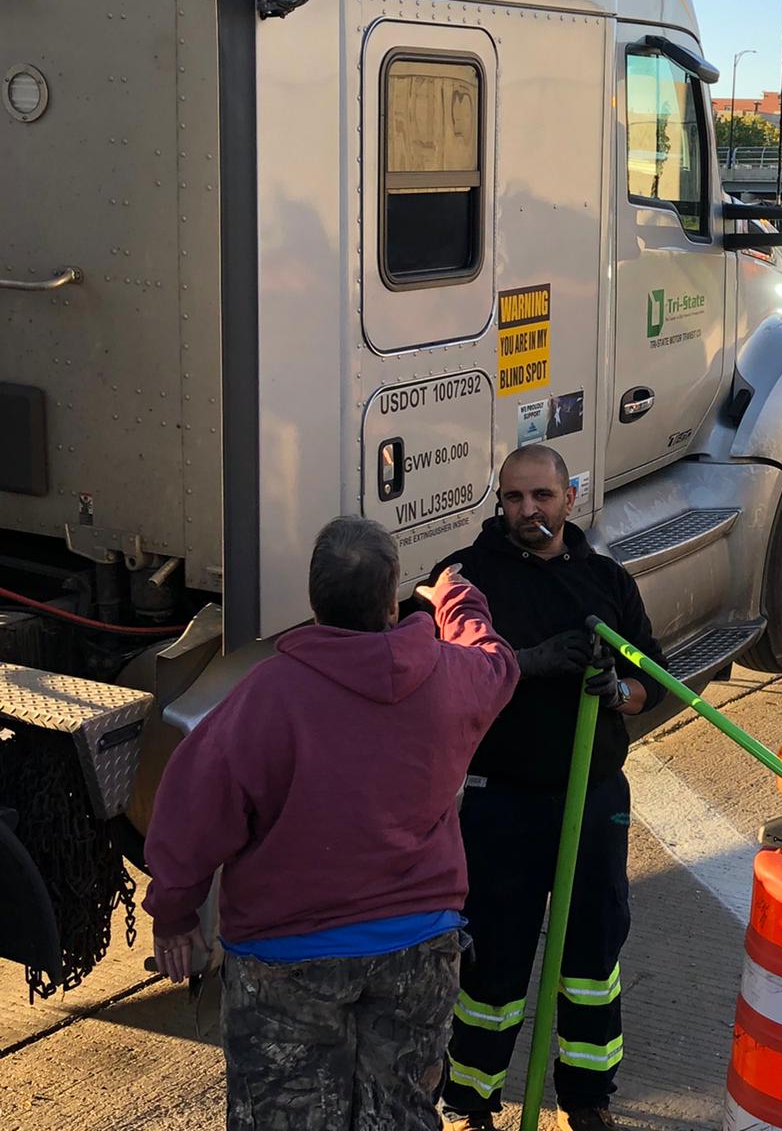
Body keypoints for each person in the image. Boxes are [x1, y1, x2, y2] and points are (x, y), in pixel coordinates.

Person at [143, 516, 519, 1130]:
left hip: (285, 958)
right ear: (392, 597)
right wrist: (456, 596)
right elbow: (496, 660)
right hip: (419, 949)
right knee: (400, 1114)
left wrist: (176, 916)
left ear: (315, 599)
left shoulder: (268, 694)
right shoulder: (450, 677)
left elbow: (193, 812)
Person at [435, 444, 665, 1131]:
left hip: (592, 798)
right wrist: (524, 666)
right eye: (513, 499)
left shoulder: (606, 582)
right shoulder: (466, 580)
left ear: (570, 498)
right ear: (499, 502)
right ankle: (469, 1102)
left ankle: (588, 1101)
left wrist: (619, 689)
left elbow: (653, 674)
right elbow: (435, 678)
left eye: (541, 497)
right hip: (501, 801)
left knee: (593, 954)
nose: (526, 511)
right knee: (491, 959)